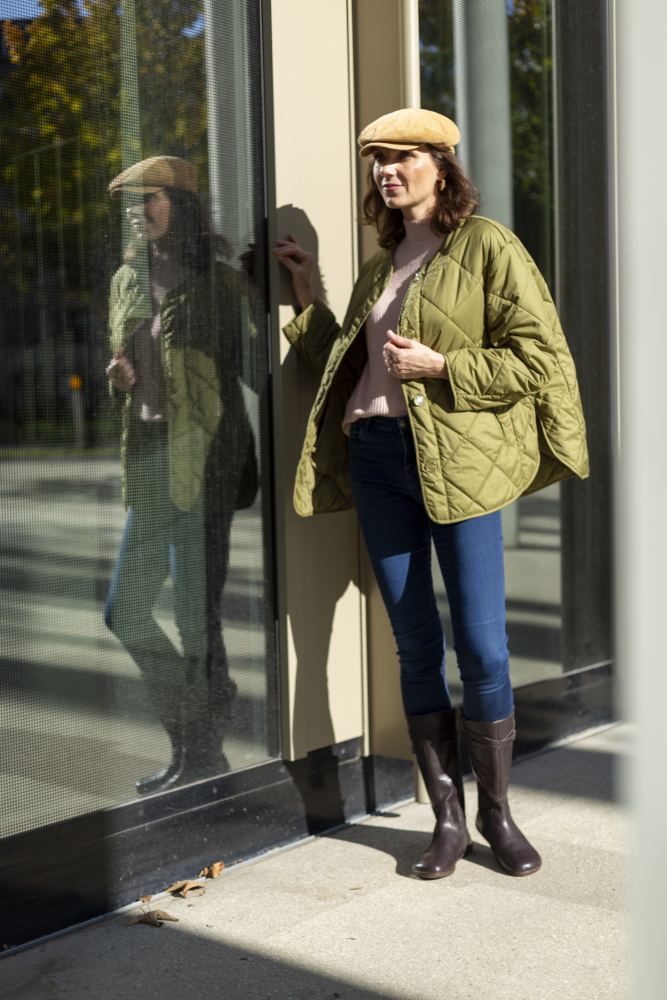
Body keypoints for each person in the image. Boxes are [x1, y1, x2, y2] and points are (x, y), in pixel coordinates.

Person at [274, 108, 589, 879]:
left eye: (401, 156)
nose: (385, 170)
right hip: (380, 460)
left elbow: (539, 360)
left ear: (441, 165)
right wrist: (306, 296)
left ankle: (496, 814)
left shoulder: (485, 246)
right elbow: (353, 364)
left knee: (481, 647)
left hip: (459, 465)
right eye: (376, 160)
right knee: (414, 643)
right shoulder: (384, 265)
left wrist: (443, 368)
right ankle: (445, 817)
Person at [104, 155, 256, 795]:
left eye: (151, 200)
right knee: (125, 611)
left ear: (183, 205)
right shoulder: (126, 279)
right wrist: (119, 377)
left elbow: (253, 369)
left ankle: (201, 755)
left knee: (198, 619)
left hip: (207, 463)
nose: (139, 213)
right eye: (131, 204)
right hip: (150, 462)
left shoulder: (220, 283)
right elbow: (129, 361)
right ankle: (197, 724)